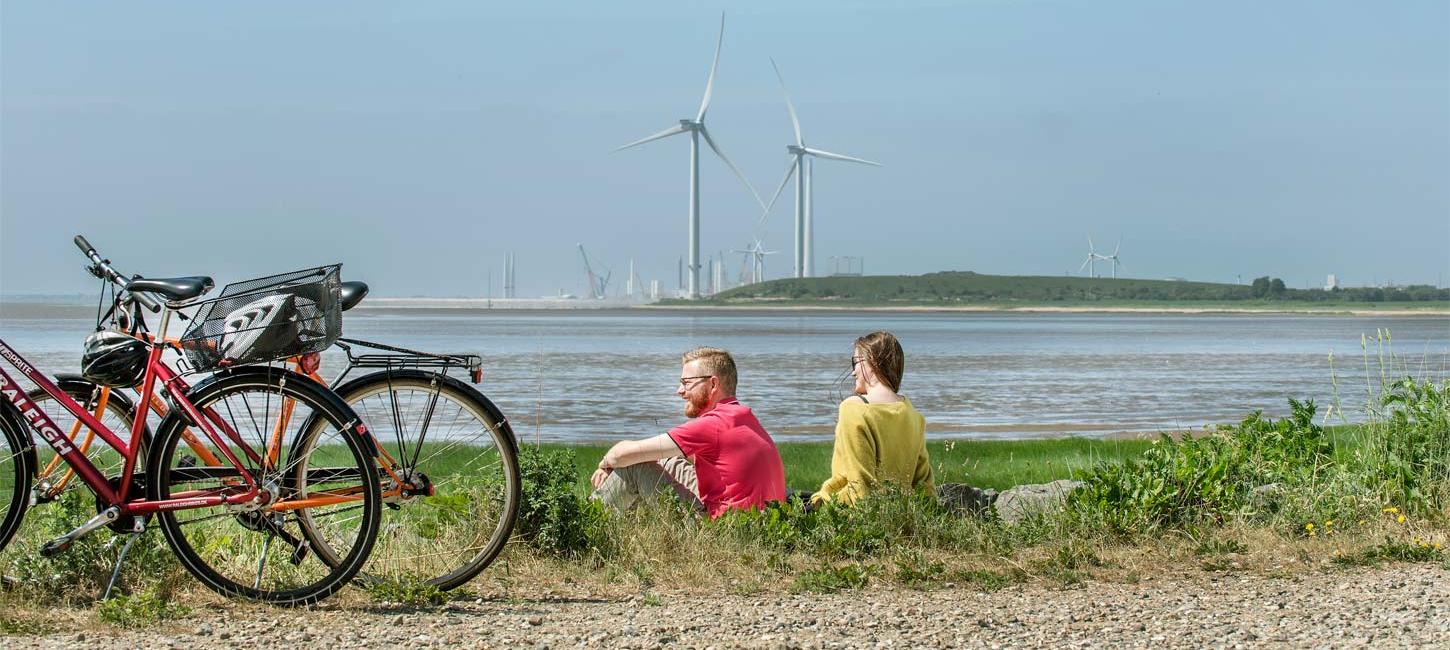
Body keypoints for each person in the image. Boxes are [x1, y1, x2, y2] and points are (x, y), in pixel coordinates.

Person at [590, 346, 786, 518]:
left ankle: (587, 527)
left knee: (633, 467)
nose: (679, 391)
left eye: (686, 382)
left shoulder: (712, 425)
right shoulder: (744, 418)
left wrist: (605, 464)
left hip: (722, 528)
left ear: (713, 384)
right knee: (667, 461)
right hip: (755, 523)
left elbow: (621, 455)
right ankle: (629, 529)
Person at [812, 331, 934, 506]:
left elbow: (860, 485)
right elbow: (925, 486)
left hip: (843, 512)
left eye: (855, 362)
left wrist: (870, 527)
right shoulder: (913, 416)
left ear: (873, 362)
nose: (853, 372)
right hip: (898, 513)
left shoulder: (854, 409)